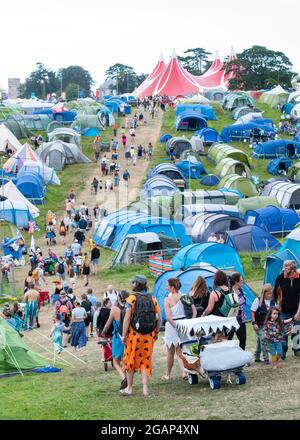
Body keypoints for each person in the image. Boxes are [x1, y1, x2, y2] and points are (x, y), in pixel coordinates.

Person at [120, 275, 161, 397]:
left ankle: (129, 388)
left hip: (134, 336)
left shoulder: (131, 299)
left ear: (137, 284)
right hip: (148, 336)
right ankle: (145, 389)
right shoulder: (152, 298)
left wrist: (123, 335)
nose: (132, 284)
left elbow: (127, 319)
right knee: (145, 361)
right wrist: (156, 333)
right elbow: (160, 319)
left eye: (133, 282)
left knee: (130, 360)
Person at [163, 278, 196, 381]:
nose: (166, 287)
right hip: (184, 324)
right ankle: (183, 372)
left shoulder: (167, 299)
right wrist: (190, 322)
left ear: (172, 287)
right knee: (180, 351)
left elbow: (168, 317)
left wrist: (176, 326)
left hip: (173, 326)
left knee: (171, 352)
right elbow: (194, 311)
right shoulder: (185, 296)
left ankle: (168, 374)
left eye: (167, 285)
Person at [103, 290, 129, 389]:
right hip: (128, 336)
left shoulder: (114, 309)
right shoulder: (129, 308)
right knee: (125, 360)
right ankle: (128, 380)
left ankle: (123, 378)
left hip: (118, 337)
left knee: (115, 361)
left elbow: (108, 324)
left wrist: (103, 332)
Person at [273, 260, 300, 358]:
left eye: (287, 267)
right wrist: (277, 307)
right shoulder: (280, 278)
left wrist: (298, 313)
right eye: (284, 266)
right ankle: (283, 351)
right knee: (283, 332)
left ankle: (296, 350)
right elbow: (275, 294)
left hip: (297, 310)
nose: (284, 268)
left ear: (293, 268)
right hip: (283, 310)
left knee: (296, 330)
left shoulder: (299, 278)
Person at [251, 283, 276, 364]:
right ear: (264, 293)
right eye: (268, 293)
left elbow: (275, 312)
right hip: (259, 325)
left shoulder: (273, 301)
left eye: (271, 293)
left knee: (260, 340)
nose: (270, 295)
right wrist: (254, 323)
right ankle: (266, 359)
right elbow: (252, 311)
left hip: (268, 325)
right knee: (263, 339)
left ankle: (257, 357)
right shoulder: (257, 300)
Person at [227, 272, 247, 350]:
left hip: (240, 320)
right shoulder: (229, 292)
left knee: (242, 340)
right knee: (228, 340)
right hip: (231, 321)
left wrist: (243, 313)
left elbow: (241, 304)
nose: (242, 282)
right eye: (241, 280)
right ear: (236, 282)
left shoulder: (240, 290)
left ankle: (242, 359)